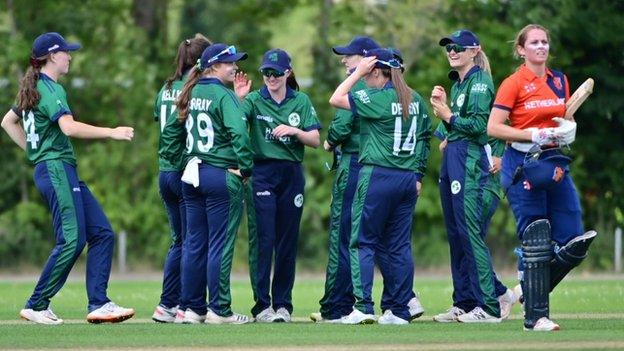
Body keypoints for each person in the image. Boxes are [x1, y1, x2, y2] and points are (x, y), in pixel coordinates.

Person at [1, 32, 135, 325]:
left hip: (57, 168)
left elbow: (7, 122)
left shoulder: (34, 87)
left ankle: (99, 303)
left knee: (101, 232)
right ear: (52, 56)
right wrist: (112, 132)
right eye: (66, 52)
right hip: (56, 168)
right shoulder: (50, 89)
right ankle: (37, 303)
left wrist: (33, 151)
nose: (70, 57)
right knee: (72, 239)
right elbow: (69, 128)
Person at [487, 24, 597, 331]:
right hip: (522, 163)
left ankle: (526, 291)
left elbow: (564, 116)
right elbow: (493, 127)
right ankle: (535, 317)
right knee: (537, 236)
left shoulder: (559, 80)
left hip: (553, 161)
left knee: (575, 239)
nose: (541, 46)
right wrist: (530, 133)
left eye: (544, 41)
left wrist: (568, 129)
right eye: (534, 42)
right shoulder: (513, 83)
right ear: (521, 50)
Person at [329, 48, 431, 325]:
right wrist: (419, 175)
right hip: (407, 178)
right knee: (398, 246)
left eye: (368, 73)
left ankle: (363, 307)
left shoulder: (378, 96)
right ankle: (399, 310)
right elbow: (425, 139)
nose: (364, 79)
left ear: (376, 71)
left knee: (362, 241)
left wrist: (357, 72)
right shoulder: (417, 99)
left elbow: (336, 98)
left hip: (378, 176)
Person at [429, 29, 517, 323]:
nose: (452, 52)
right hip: (455, 162)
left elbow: (481, 127)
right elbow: (452, 129)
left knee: (469, 233)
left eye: (457, 47)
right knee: (457, 235)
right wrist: (446, 125)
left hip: (471, 166)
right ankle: (465, 301)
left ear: (474, 50)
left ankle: (490, 305)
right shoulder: (459, 86)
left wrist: (448, 116)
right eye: (448, 48)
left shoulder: (480, 82)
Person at [235, 49, 321, 323]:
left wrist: (294, 131)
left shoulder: (301, 101)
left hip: (291, 174)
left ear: (287, 73)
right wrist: (237, 98)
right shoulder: (254, 100)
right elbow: (233, 122)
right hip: (262, 173)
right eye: (266, 73)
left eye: (275, 73)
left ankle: (283, 303)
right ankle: (262, 306)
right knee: (264, 239)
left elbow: (316, 139)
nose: (270, 78)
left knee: (287, 241)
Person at [175, 43, 253, 324]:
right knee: (219, 244)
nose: (234, 67)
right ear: (213, 67)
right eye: (229, 63)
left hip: (191, 173)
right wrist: (245, 169)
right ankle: (219, 309)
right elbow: (239, 135)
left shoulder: (193, 91)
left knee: (195, 244)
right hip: (219, 174)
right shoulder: (224, 95)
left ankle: (193, 309)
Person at [151, 34, 211, 323]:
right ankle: (187, 306)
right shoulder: (194, 88)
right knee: (193, 242)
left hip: (164, 171)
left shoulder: (165, 87)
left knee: (180, 241)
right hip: (184, 170)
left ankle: (166, 305)